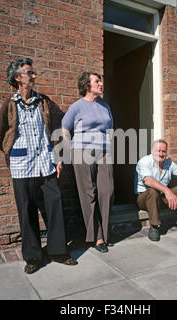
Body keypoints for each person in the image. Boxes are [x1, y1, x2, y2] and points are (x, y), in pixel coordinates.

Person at [0, 58, 77, 274]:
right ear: (18, 78)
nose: (34, 76)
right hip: (21, 166)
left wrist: (58, 158)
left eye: (33, 73)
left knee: (55, 203)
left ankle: (58, 251)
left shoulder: (44, 102)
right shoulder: (9, 105)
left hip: (45, 163)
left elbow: (58, 129)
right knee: (26, 209)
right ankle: (33, 257)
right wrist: (13, 151)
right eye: (29, 73)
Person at [61, 72, 114, 253]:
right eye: (97, 81)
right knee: (88, 193)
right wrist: (71, 150)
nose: (101, 83)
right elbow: (65, 128)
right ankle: (98, 237)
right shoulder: (77, 107)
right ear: (87, 86)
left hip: (104, 152)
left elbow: (110, 128)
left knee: (107, 191)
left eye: (101, 80)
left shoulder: (105, 106)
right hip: (82, 152)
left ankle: (104, 233)